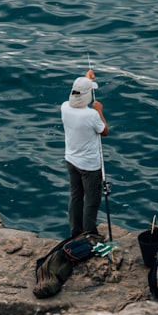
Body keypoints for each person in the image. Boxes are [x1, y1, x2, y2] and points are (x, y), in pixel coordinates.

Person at [61, 70, 108, 242]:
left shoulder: (65, 107)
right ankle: (89, 234)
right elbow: (104, 131)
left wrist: (86, 80)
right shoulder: (91, 115)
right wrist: (100, 111)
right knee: (92, 200)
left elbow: (79, 95)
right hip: (89, 165)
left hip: (71, 160)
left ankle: (76, 231)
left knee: (76, 196)